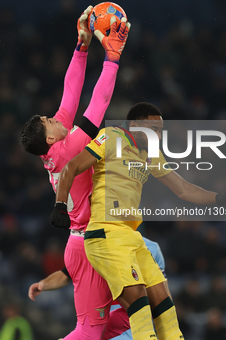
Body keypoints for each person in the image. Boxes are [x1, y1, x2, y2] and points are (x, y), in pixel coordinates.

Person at [51, 102, 226, 340]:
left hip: (130, 236)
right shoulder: (111, 136)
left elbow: (183, 189)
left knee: (164, 303)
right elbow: (71, 166)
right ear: (134, 125)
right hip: (105, 233)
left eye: (160, 129)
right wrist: (60, 205)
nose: (157, 134)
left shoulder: (150, 153)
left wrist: (219, 198)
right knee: (139, 301)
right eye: (153, 128)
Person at [21, 5, 131, 339]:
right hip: (86, 244)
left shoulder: (55, 143)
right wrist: (111, 59)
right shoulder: (69, 147)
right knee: (89, 329)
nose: (55, 116)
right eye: (49, 120)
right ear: (51, 136)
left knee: (131, 316)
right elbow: (97, 103)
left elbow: (70, 93)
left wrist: (81, 46)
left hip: (99, 239)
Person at [28, 236, 167, 340]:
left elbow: (160, 295)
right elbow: (67, 274)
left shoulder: (151, 249)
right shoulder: (94, 244)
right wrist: (44, 284)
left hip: (133, 331)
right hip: (100, 325)